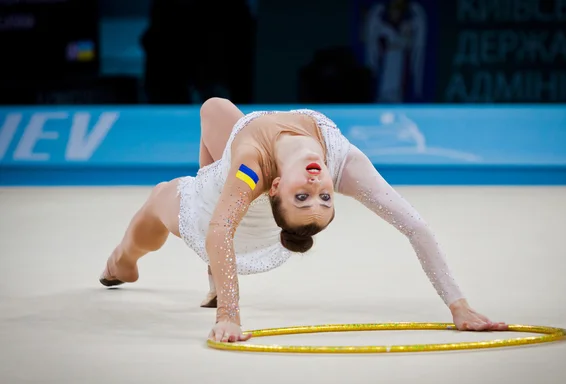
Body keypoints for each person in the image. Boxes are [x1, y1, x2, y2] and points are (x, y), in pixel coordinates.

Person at [99, 98, 508, 343]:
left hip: (210, 215)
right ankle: (210, 266)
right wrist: (460, 305)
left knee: (156, 204)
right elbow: (415, 224)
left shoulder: (251, 169)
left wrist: (229, 316)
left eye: (303, 197)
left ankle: (121, 262)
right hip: (223, 197)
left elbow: (220, 228)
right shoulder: (339, 163)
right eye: (324, 197)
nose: (317, 183)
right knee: (214, 108)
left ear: (273, 186)